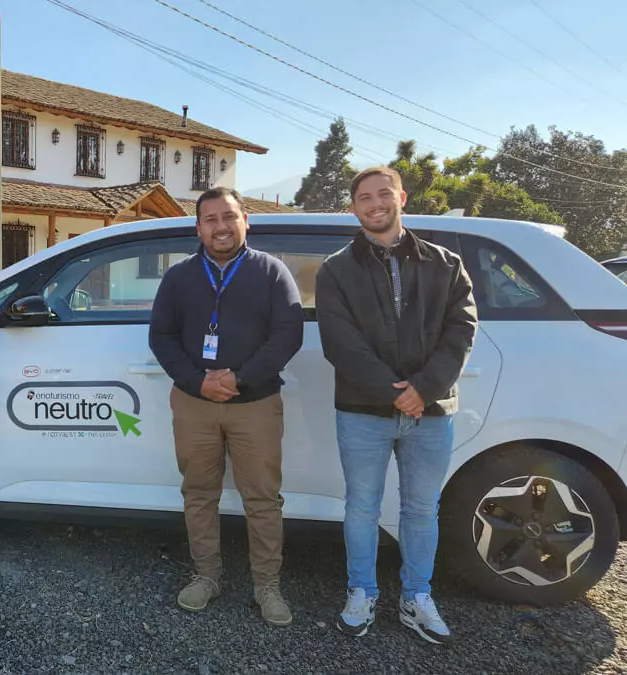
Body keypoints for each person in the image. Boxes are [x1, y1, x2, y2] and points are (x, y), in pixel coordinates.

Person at [316, 166, 477, 644]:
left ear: (401, 197)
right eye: (364, 197)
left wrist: (423, 388)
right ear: (354, 208)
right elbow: (340, 343)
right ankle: (361, 592)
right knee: (361, 508)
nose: (375, 203)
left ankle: (417, 597)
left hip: (431, 412)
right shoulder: (335, 270)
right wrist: (396, 393)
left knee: (421, 510)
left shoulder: (445, 263)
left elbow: (461, 331)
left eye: (383, 193)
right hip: (363, 412)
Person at [149, 186, 304, 625]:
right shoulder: (178, 277)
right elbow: (161, 336)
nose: (220, 226)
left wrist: (240, 377)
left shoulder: (272, 273)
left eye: (229, 216)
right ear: (198, 228)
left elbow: (288, 334)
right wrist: (197, 380)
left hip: (254, 403)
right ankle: (206, 576)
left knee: (263, 498)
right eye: (211, 219)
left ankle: (267, 586)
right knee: (198, 494)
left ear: (245, 221)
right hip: (194, 403)